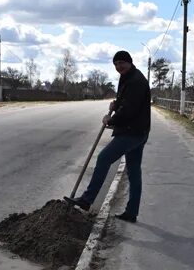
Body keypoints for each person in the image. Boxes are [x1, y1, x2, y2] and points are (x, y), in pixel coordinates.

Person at [64, 50, 151, 223]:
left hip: (131, 132)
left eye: (122, 63)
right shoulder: (128, 77)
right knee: (134, 172)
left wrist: (110, 119)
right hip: (139, 132)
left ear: (130, 62)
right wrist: (116, 103)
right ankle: (132, 212)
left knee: (103, 158)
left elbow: (129, 110)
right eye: (116, 64)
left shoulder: (135, 81)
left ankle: (87, 200)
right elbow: (125, 101)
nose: (119, 67)